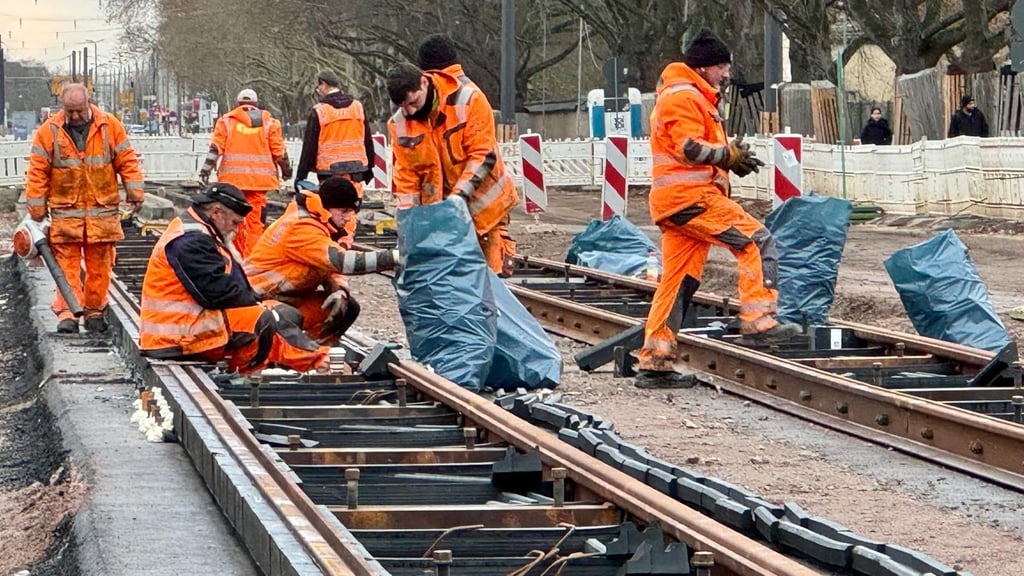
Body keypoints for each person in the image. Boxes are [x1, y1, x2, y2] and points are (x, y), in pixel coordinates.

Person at [634, 29, 801, 389]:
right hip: (691, 199)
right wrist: (727, 155)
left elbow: (698, 150)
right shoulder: (683, 96)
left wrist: (728, 159)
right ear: (705, 67)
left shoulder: (692, 96)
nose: (726, 73)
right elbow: (688, 149)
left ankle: (655, 361)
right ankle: (759, 321)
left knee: (677, 283)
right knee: (757, 242)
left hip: (679, 203)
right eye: (722, 66)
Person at [139, 183, 330, 374]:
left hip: (183, 328)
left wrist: (258, 301)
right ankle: (245, 373)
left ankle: (313, 360)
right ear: (216, 212)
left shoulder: (198, 230)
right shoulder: (191, 240)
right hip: (176, 338)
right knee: (261, 320)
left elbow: (228, 286)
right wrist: (257, 304)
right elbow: (218, 293)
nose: (237, 230)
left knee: (274, 312)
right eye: (235, 223)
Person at [25, 83, 145, 334]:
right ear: (63, 108)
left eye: (79, 111)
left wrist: (135, 192)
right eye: (70, 112)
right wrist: (36, 210)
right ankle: (68, 312)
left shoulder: (110, 126)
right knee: (66, 266)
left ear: (88, 104)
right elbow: (37, 172)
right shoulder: (49, 132)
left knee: (99, 266)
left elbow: (127, 160)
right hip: (66, 214)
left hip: (101, 214)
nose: (76, 116)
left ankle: (93, 312)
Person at [385, 62, 519, 276]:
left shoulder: (467, 100)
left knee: (493, 276)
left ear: (424, 82)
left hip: (486, 212)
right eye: (403, 106)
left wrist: (459, 197)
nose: (410, 111)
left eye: (413, 102)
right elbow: (407, 179)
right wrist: (408, 227)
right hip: (442, 218)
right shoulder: (400, 123)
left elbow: (483, 154)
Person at [244, 177, 399, 343]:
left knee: (347, 307)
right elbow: (342, 262)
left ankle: (318, 355)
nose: (348, 218)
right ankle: (288, 356)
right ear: (327, 207)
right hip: (257, 302)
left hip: (287, 298)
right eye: (344, 211)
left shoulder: (322, 225)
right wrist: (395, 256)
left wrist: (338, 289)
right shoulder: (301, 227)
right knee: (289, 316)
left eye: (351, 212)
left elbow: (329, 267)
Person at [198, 89, 291, 257]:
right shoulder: (270, 123)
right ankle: (253, 261)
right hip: (259, 184)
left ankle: (237, 258)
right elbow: (279, 153)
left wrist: (205, 172)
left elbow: (215, 149)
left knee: (235, 222)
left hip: (232, 184)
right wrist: (286, 171)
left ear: (238, 104)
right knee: (255, 225)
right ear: (255, 104)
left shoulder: (226, 122)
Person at [295, 70, 374, 245]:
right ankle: (346, 241)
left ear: (323, 84)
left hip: (329, 170)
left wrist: (301, 175)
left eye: (318, 87)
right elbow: (367, 139)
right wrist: (370, 168)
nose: (318, 90)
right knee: (350, 207)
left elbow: (309, 146)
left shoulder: (320, 111)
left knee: (331, 207)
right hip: (356, 169)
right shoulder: (357, 107)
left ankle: (334, 242)